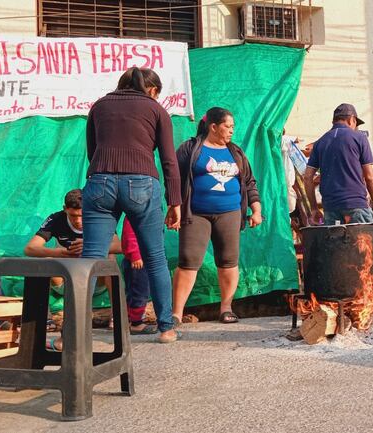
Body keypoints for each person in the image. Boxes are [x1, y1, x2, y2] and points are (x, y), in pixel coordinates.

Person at [82, 67, 182, 344]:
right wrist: (175, 200)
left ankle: (74, 333)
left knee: (91, 259)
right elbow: (169, 160)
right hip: (142, 183)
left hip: (100, 181)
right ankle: (166, 329)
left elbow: (93, 151)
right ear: (151, 90)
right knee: (155, 258)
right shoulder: (155, 109)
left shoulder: (99, 106)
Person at [173, 108, 262, 324]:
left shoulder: (236, 153)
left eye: (233, 127)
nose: (232, 130)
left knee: (228, 261)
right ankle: (175, 313)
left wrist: (256, 209)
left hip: (229, 213)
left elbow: (249, 182)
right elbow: (174, 179)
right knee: (188, 261)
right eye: (228, 126)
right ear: (213, 127)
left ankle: (226, 308)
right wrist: (174, 207)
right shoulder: (190, 149)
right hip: (196, 214)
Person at [24, 189, 122, 350]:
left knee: (110, 259)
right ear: (65, 209)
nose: (78, 221)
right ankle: (43, 318)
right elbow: (30, 249)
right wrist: (61, 252)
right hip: (65, 280)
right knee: (46, 263)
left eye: (82, 216)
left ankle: (116, 315)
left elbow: (120, 246)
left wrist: (91, 247)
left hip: (95, 282)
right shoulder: (56, 219)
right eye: (73, 216)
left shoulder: (99, 219)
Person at [304, 103, 373, 225]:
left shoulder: (320, 142)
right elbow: (370, 176)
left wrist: (314, 209)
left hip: (330, 208)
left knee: (336, 244)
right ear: (352, 119)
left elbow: (308, 177)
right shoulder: (359, 138)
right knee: (363, 243)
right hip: (356, 205)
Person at [120, 218, 155, 334]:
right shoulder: (134, 213)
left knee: (136, 291)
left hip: (143, 259)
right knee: (139, 292)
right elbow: (130, 235)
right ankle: (136, 323)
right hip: (137, 261)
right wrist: (135, 255)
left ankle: (131, 319)